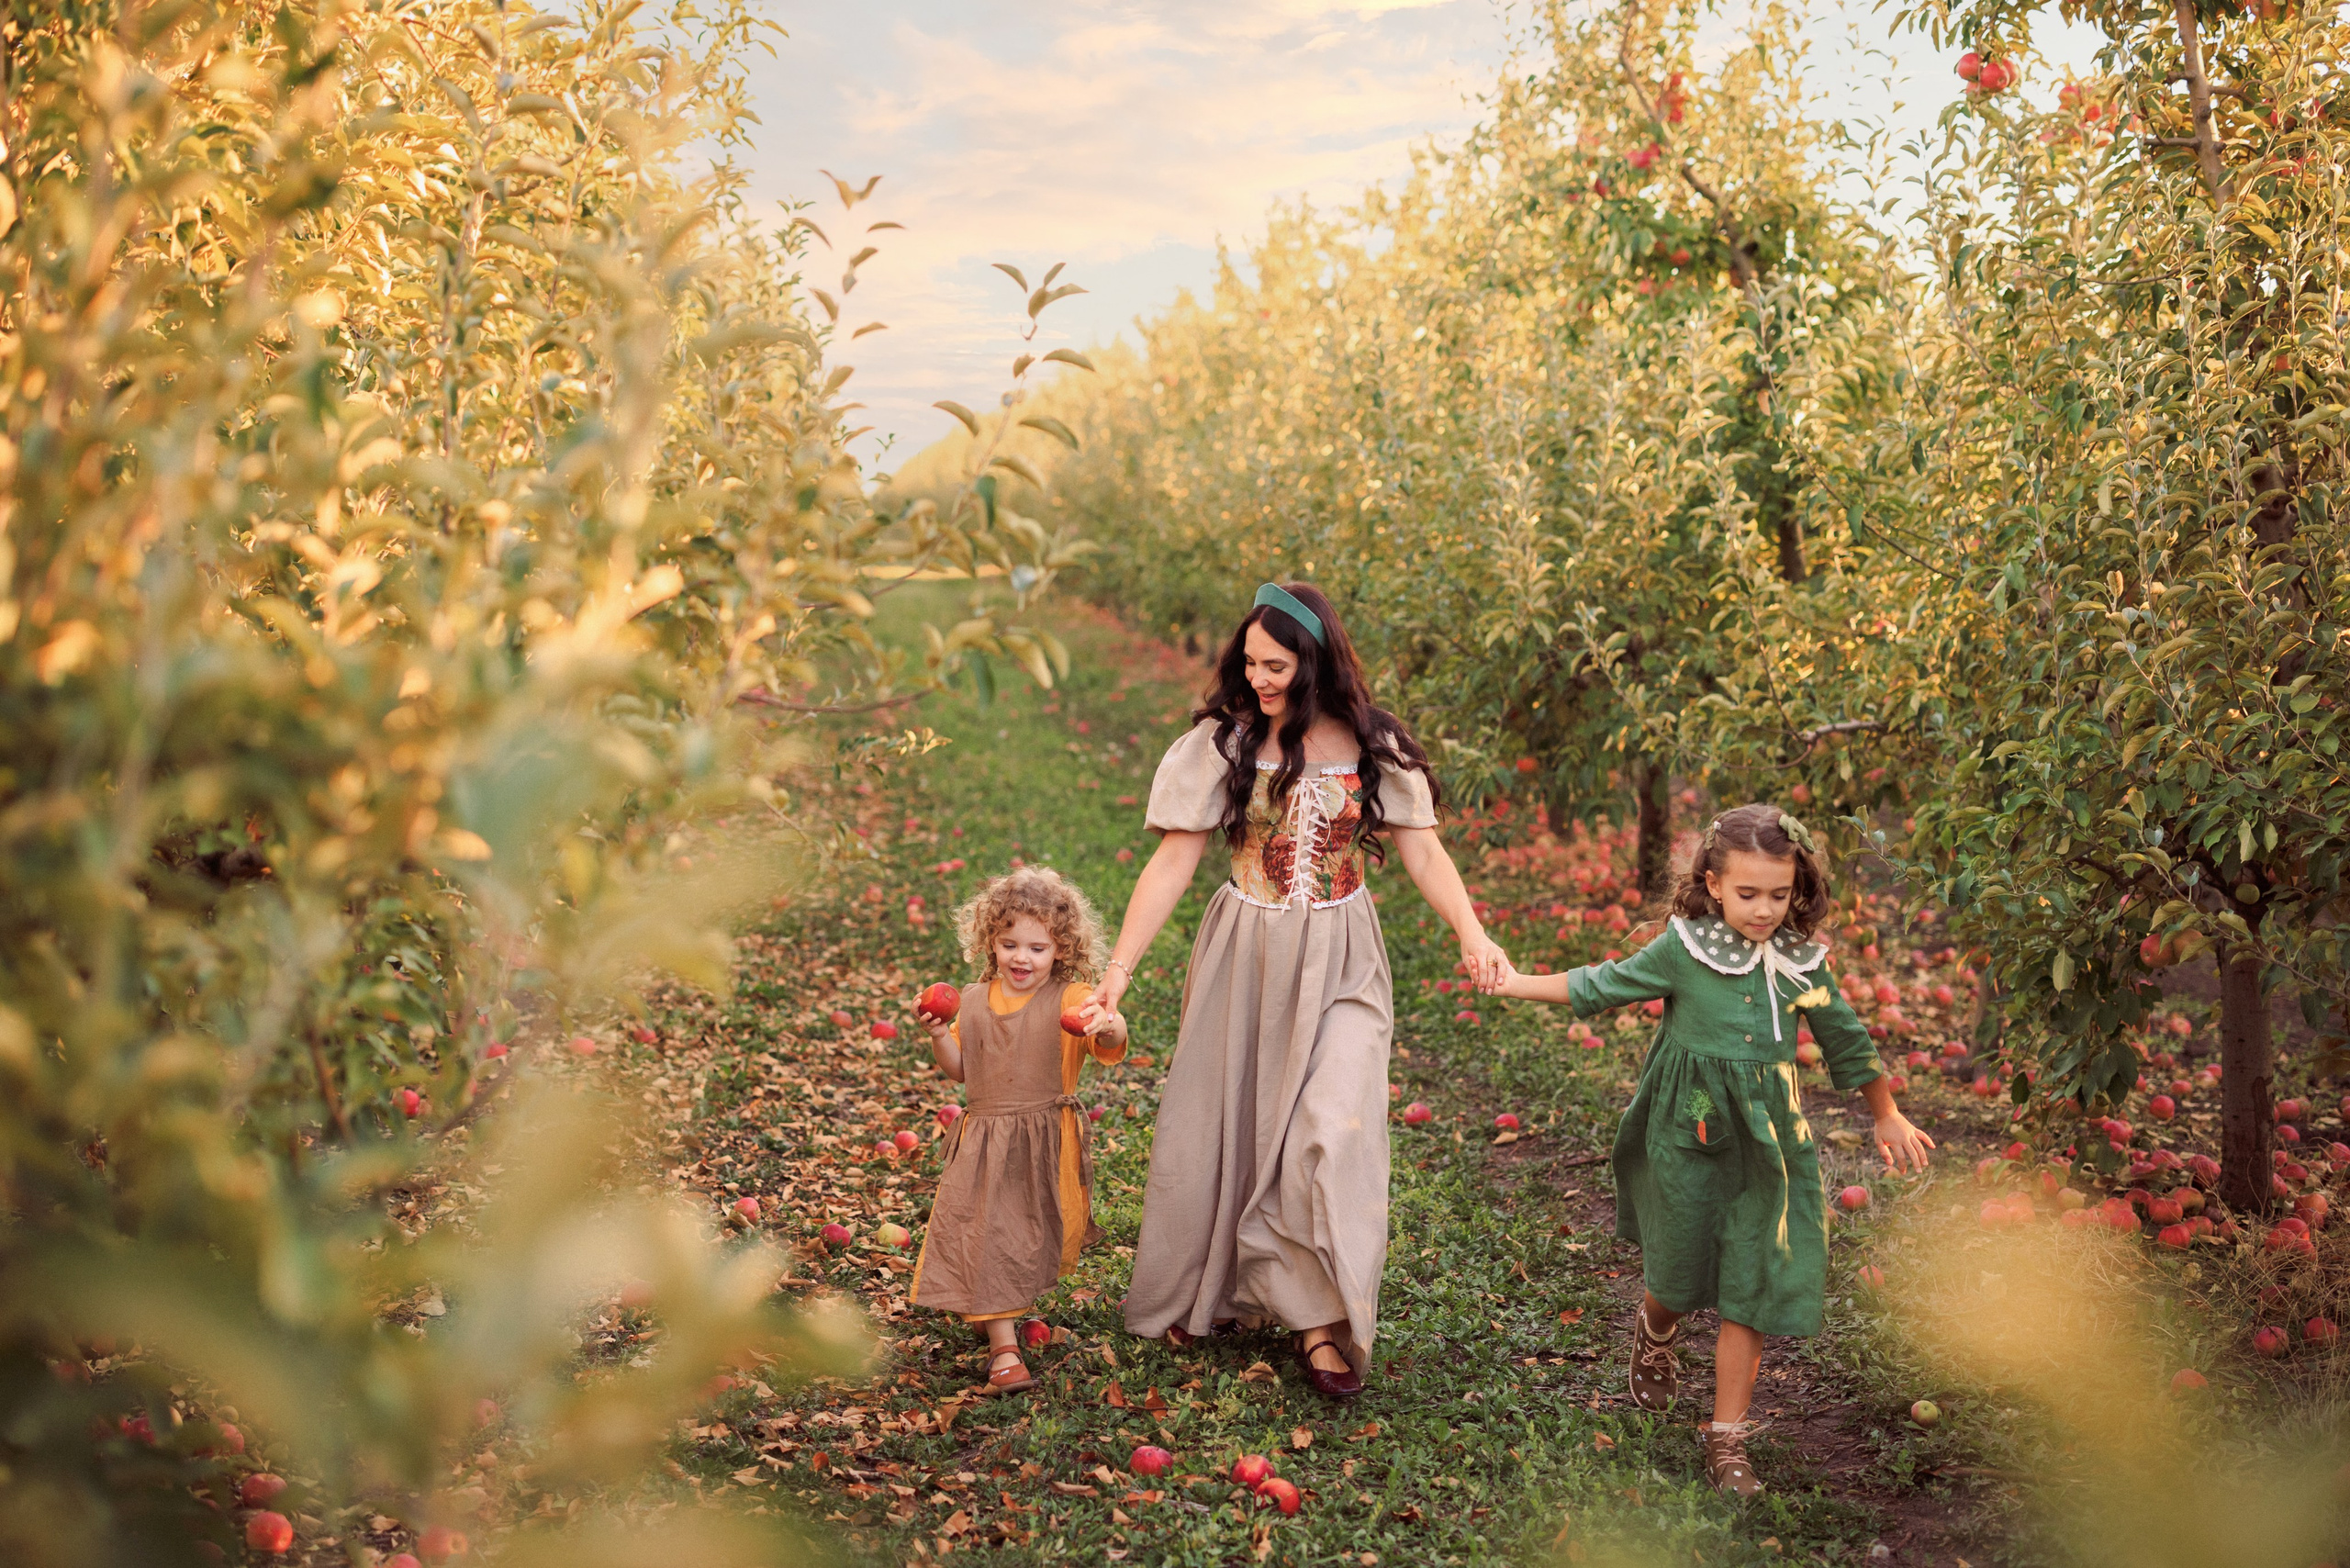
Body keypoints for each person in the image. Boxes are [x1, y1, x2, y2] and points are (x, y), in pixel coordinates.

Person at [1086, 581, 1506, 1399]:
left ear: (1314, 659)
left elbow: (1422, 851)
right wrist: (1118, 972)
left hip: (1345, 955)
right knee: (1232, 1121)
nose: (1260, 678)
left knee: (1330, 1128)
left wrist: (1471, 929)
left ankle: (1319, 1321)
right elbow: (1173, 860)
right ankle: (1269, 1306)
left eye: (1276, 664)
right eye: (1250, 663)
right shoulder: (1227, 743)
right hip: (1248, 949)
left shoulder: (1370, 741)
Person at [1490, 802, 1933, 1496]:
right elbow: (1603, 984)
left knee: (1747, 1287)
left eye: (1779, 895)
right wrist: (1515, 981)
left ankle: (1728, 1440)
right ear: (1714, 883)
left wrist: (1887, 1114)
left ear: (1798, 890)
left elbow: (1847, 1039)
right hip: (1688, 1134)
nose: (1763, 910)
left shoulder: (1800, 962)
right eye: (1748, 893)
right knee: (1675, 1276)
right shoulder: (1684, 949)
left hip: (1769, 1146)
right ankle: (1656, 1324)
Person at [908, 868, 1129, 1393]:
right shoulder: (974, 999)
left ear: (1061, 950)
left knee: (1028, 1234)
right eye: (1009, 944)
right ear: (991, 942)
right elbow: (961, 1069)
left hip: (1046, 1141)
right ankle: (1004, 1348)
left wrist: (1109, 1021)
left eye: (1037, 947)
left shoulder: (1073, 999)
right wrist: (940, 1034)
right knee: (990, 1231)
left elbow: (1109, 1043)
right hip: (986, 1141)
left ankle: (999, 1305)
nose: (1021, 958)